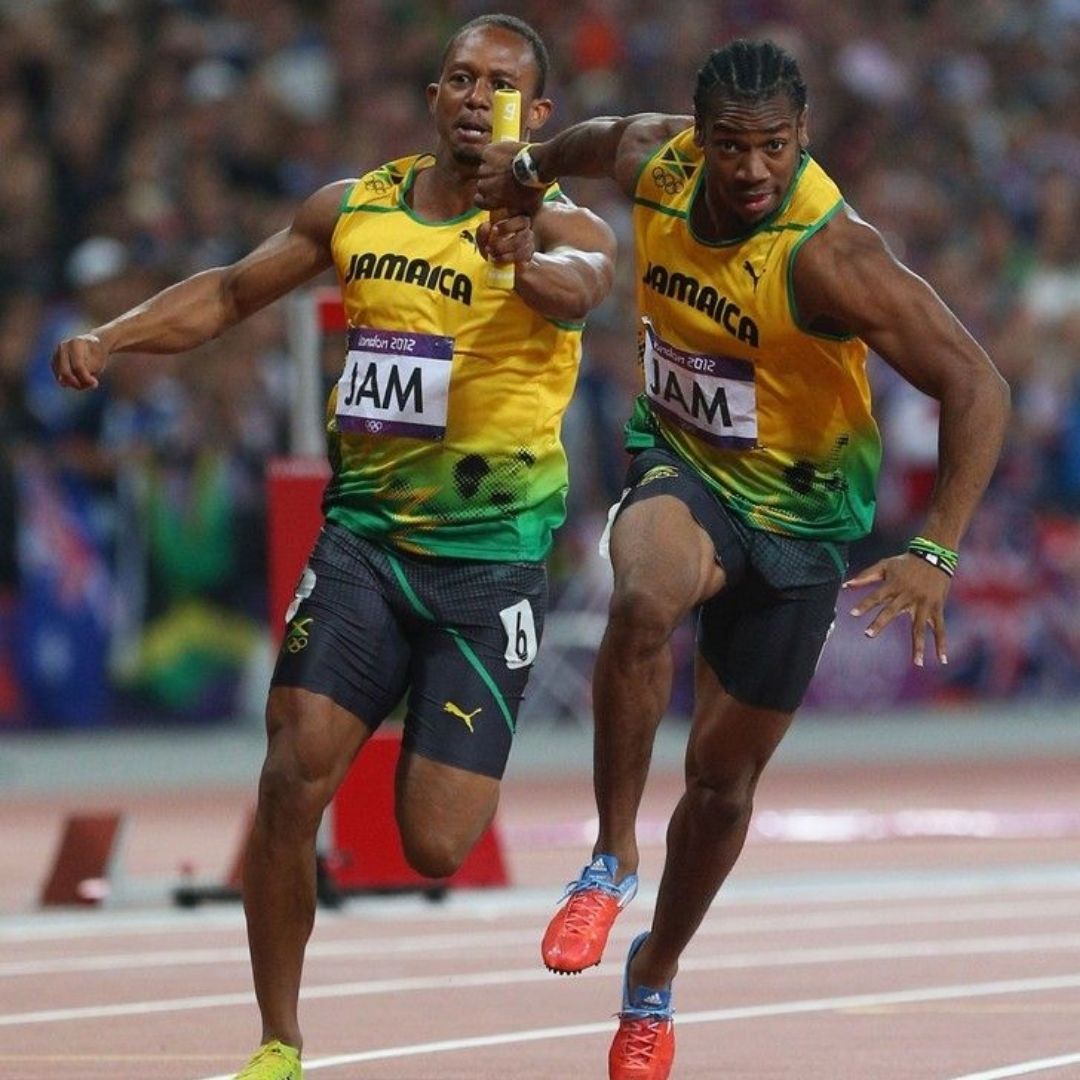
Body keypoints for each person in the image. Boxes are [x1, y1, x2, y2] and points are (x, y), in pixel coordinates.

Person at [52, 14, 615, 1080]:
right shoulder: (357, 208)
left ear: (538, 114)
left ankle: (434, 702)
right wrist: (111, 337)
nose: (469, 95)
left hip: (489, 565)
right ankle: (278, 1041)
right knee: (287, 780)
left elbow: (579, 288)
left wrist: (524, 244)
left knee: (435, 843)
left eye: (496, 83)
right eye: (456, 76)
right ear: (433, 94)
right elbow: (227, 292)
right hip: (363, 547)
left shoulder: (571, 227)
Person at [476, 37, 1010, 1080]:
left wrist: (936, 546)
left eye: (773, 147)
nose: (753, 169)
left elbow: (977, 385)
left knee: (721, 786)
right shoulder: (659, 163)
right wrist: (530, 173)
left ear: (801, 137)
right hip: (685, 466)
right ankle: (609, 858)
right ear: (700, 136)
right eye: (732, 146)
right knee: (643, 596)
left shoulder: (832, 254)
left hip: (804, 523)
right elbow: (591, 137)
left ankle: (655, 977)